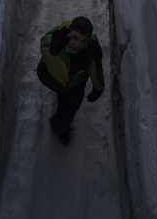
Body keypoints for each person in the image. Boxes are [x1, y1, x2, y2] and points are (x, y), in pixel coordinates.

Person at [36, 16, 105, 145]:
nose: (77, 45)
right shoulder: (59, 35)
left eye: (83, 41)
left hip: (74, 87)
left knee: (65, 117)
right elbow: (44, 43)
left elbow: (96, 71)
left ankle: (60, 127)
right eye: (75, 38)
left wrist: (98, 88)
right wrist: (52, 48)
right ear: (69, 33)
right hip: (50, 78)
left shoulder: (92, 49)